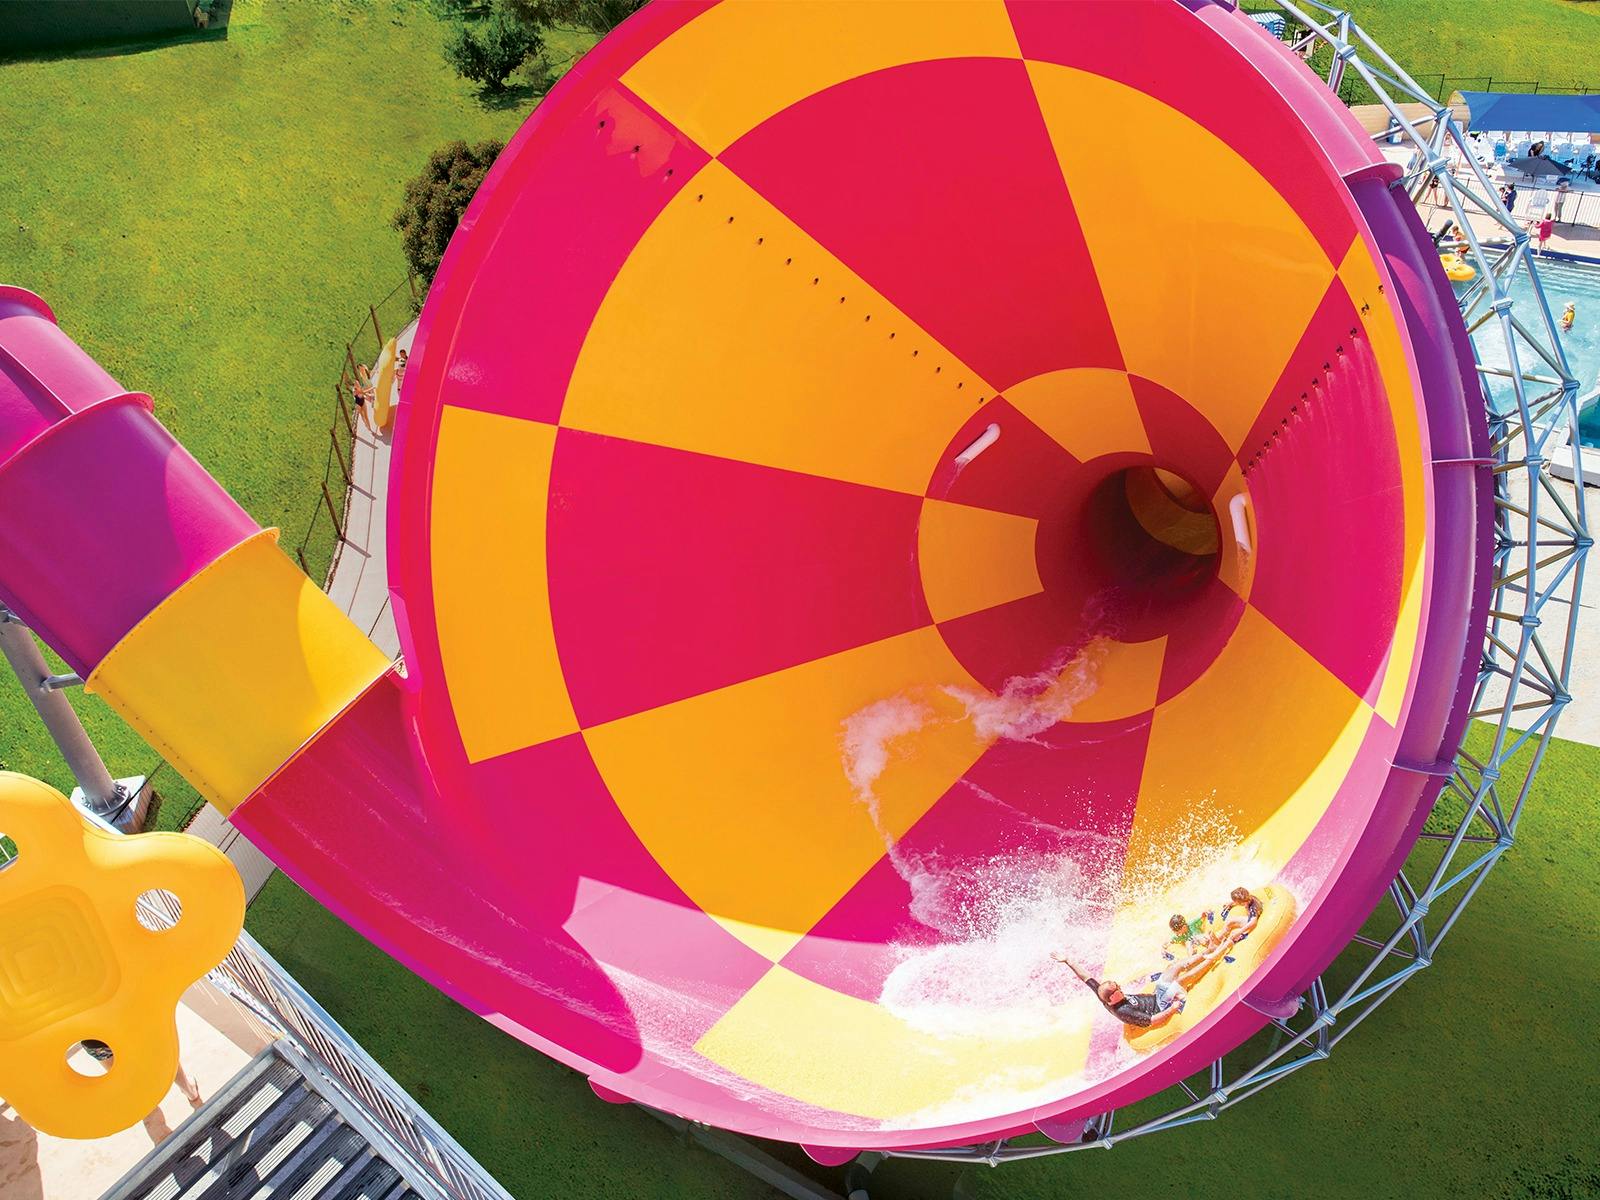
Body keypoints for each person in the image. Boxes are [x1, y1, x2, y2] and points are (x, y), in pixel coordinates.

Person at [1052, 953, 1184, 1029]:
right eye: (1117, 989)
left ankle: (1201, 958)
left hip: (1155, 998)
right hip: (1160, 1007)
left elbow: (1086, 977)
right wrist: (1172, 1009)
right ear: (1112, 998)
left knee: (1172, 969)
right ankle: (1205, 958)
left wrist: (1068, 961)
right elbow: (1153, 1020)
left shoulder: (1103, 995)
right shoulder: (1124, 1011)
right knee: (1177, 978)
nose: (1120, 987)